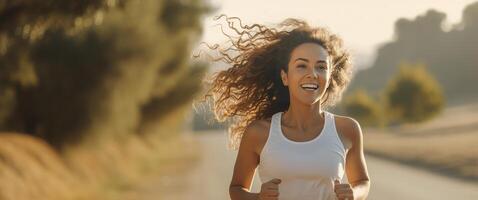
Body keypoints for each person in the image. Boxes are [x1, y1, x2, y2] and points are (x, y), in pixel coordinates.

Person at [201, 15, 370, 200]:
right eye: (301, 66)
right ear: (285, 77)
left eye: (321, 67)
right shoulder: (259, 132)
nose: (312, 74)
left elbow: (362, 181)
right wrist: (258, 197)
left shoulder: (347, 129)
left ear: (330, 77)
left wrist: (355, 193)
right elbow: (236, 189)